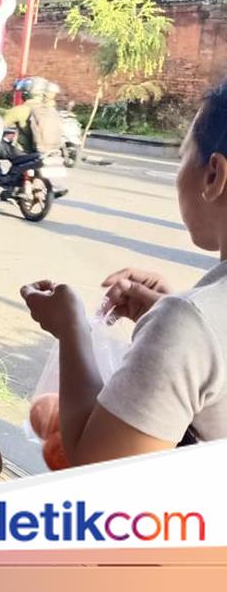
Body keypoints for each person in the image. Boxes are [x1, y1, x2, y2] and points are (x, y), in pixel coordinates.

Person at [21, 82, 227, 465]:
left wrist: (73, 329)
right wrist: (169, 314)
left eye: (184, 156)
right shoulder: (194, 323)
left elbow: (98, 470)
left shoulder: (190, 324)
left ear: (214, 175)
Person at [4, 77, 62, 155]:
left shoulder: (19, 110)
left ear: (26, 93)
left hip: (24, 154)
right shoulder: (51, 110)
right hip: (49, 153)